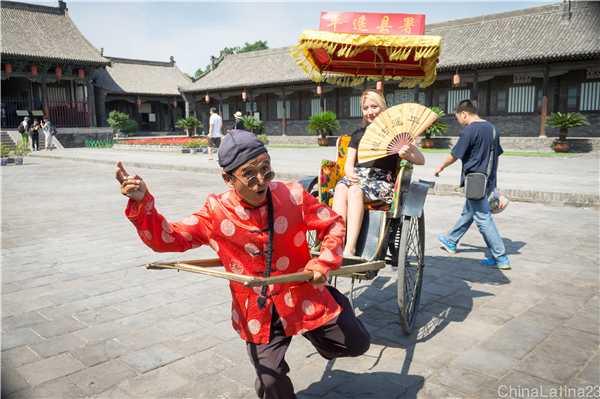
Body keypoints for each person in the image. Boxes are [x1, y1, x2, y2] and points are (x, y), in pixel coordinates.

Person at [116, 130, 370, 399]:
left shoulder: (292, 195)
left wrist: (324, 262)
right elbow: (167, 238)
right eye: (250, 174)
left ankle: (316, 332)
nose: (261, 181)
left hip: (304, 294)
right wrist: (142, 202)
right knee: (270, 383)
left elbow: (333, 223)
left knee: (357, 343)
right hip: (258, 312)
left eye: (266, 169)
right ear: (228, 179)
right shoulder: (215, 212)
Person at [331, 89, 425, 256]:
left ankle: (350, 248)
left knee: (354, 191)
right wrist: (350, 173)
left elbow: (421, 159)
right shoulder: (358, 135)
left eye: (374, 106)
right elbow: (348, 164)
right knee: (341, 188)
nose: (370, 112)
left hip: (380, 180)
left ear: (383, 107)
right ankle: (336, 243)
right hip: (358, 176)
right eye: (365, 108)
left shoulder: (397, 134)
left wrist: (407, 154)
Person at [434, 99, 510, 269]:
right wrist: (493, 181)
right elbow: (496, 157)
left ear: (464, 113)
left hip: (475, 181)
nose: (459, 122)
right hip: (489, 179)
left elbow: (455, 155)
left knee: (483, 219)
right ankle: (451, 241)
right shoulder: (492, 128)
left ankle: (500, 257)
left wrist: (440, 166)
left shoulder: (470, 130)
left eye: (458, 118)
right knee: (469, 211)